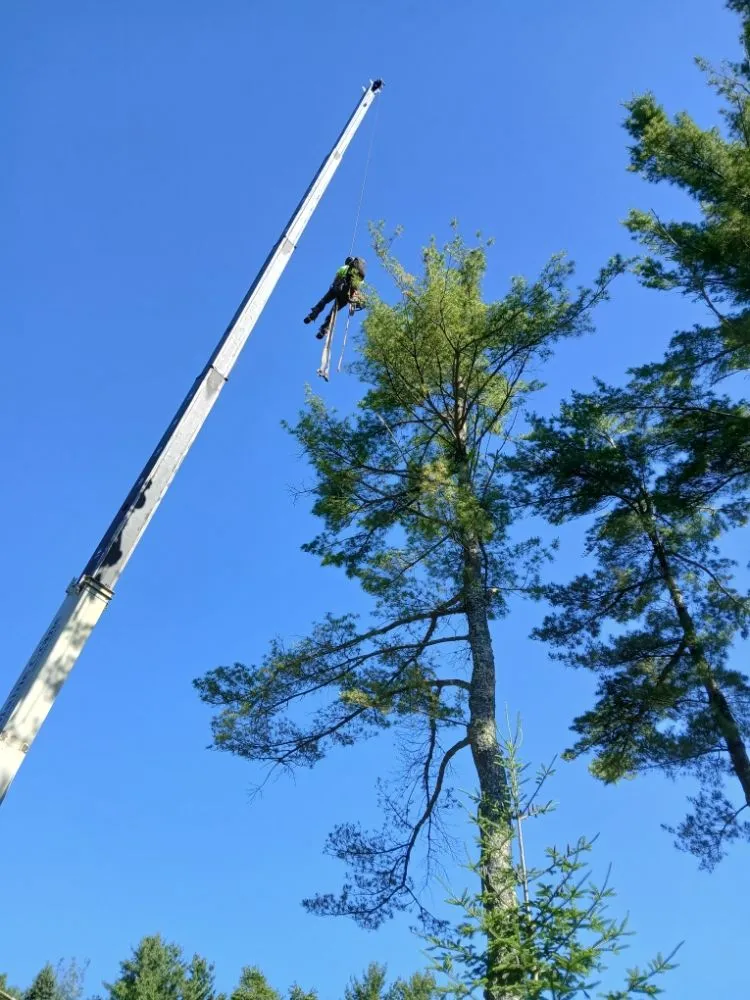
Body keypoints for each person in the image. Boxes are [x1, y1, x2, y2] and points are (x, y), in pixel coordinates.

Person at [304, 257, 366, 339]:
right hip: (346, 296)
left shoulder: (344, 267)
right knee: (334, 311)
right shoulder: (359, 275)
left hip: (337, 288)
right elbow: (357, 287)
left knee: (324, 301)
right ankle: (324, 329)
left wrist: (333, 286)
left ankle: (314, 314)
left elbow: (337, 278)